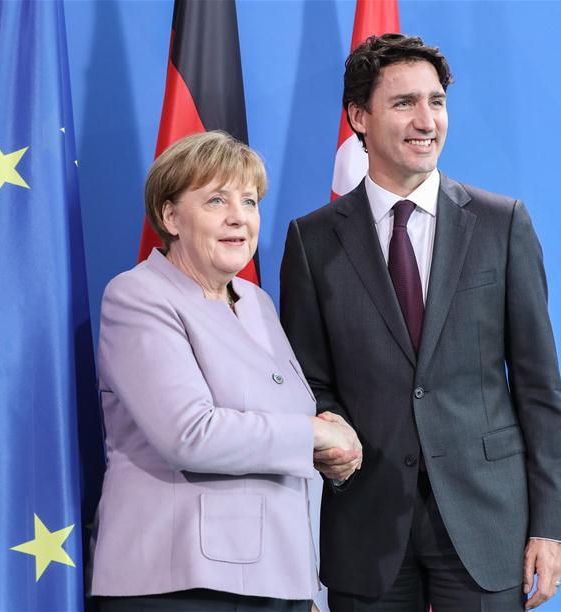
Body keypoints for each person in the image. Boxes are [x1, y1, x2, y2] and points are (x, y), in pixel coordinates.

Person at [280, 34, 561, 612]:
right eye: (404, 103)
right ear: (358, 117)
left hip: (486, 522)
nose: (426, 120)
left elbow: (540, 388)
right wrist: (332, 440)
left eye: (436, 102)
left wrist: (550, 525)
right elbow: (306, 381)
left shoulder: (501, 223)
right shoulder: (311, 240)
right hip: (365, 522)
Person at [91, 131, 362, 611]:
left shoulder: (256, 302)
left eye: (250, 200)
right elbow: (190, 434)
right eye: (217, 200)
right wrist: (316, 436)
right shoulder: (138, 296)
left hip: (279, 581)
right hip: (180, 587)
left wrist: (310, 588)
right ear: (170, 216)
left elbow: (280, 440)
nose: (239, 216)